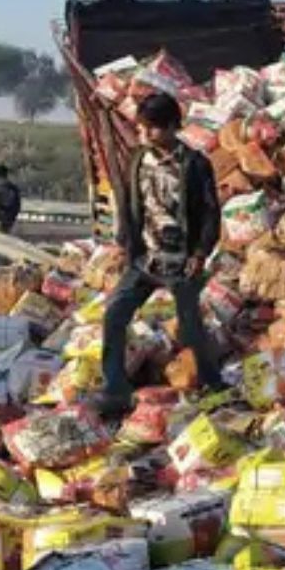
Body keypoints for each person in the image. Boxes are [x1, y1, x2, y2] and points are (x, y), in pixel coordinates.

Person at [97, 92, 224, 419]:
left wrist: (200, 253)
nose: (144, 133)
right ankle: (114, 387)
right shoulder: (139, 159)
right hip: (145, 260)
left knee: (190, 327)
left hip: (181, 262)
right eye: (142, 127)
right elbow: (129, 205)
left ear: (171, 127)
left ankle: (213, 384)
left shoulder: (195, 165)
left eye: (151, 127)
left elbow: (211, 213)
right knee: (114, 315)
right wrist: (125, 245)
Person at [0, 164, 22, 234]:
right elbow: (18, 205)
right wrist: (12, 217)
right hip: (10, 220)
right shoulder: (13, 187)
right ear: (6, 174)